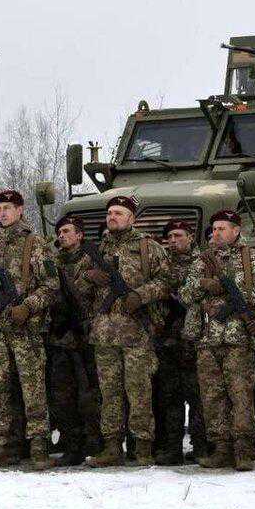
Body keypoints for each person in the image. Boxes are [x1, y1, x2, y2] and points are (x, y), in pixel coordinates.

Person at [181, 210, 255, 471]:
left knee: (241, 396)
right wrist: (203, 285)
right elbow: (184, 295)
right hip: (207, 340)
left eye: (222, 228)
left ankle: (244, 449)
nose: (216, 233)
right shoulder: (201, 261)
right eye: (214, 228)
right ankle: (222, 449)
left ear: (236, 231)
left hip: (239, 339)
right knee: (212, 397)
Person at [79, 196, 173, 468]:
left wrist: (141, 295)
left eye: (119, 213)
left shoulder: (148, 247)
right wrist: (88, 277)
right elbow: (78, 287)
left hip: (136, 333)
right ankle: (112, 447)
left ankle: (142, 447)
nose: (113, 217)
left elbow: (167, 281)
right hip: (105, 333)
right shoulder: (97, 249)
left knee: (139, 391)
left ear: (132, 218)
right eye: (110, 213)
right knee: (109, 393)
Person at [0, 192, 57, 470]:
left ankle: (39, 448)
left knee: (32, 389)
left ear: (20, 210)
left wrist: (28, 306)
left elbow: (51, 286)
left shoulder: (35, 243)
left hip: (26, 329)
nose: (3, 213)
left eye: (8, 207)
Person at [45, 216, 103, 467]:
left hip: (87, 335)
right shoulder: (53, 262)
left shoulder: (93, 259)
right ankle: (71, 444)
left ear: (79, 235)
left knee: (90, 395)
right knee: (63, 395)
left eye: (67, 231)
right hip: (61, 337)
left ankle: (95, 441)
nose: (62, 235)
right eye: (59, 232)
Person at [155, 220, 203, 465]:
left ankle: (201, 445)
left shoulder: (203, 261)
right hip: (168, 338)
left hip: (194, 338)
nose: (173, 240)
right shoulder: (162, 263)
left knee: (198, 395)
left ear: (190, 237)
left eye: (178, 235)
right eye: (170, 237)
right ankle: (172, 447)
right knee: (170, 396)